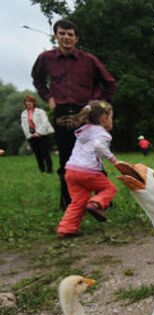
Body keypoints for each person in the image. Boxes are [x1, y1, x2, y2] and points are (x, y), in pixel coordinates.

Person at [32, 18, 117, 210]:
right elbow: (37, 79)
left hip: (86, 113)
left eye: (70, 34)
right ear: (56, 35)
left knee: (94, 154)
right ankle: (69, 202)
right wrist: (48, 97)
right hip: (62, 113)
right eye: (62, 33)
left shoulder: (89, 60)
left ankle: (104, 200)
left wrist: (97, 106)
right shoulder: (46, 58)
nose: (66, 37)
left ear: (76, 38)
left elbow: (110, 83)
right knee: (67, 158)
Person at [56, 101, 119, 239]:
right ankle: (95, 204)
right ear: (104, 118)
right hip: (89, 172)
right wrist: (113, 160)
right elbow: (98, 146)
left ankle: (66, 229)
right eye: (111, 117)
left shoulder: (84, 130)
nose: (112, 121)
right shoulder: (102, 134)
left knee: (78, 201)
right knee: (109, 189)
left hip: (71, 171)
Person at [20, 95, 54, 173]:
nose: (28, 103)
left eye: (30, 101)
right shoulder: (23, 113)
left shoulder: (40, 111)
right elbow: (23, 125)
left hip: (43, 135)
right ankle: (42, 170)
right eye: (26, 102)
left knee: (45, 153)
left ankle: (49, 170)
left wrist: (38, 133)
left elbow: (45, 122)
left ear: (33, 102)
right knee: (37, 154)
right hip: (31, 136)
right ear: (24, 103)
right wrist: (29, 135)